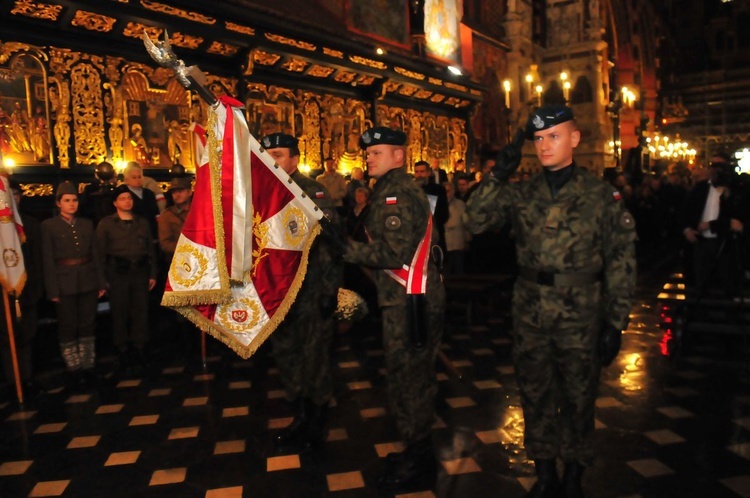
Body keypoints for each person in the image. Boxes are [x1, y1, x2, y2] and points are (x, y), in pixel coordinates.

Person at [464, 105, 637, 498]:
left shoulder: (600, 195)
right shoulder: (522, 192)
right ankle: (544, 474)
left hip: (582, 311)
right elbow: (475, 220)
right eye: (538, 139)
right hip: (531, 311)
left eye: (553, 136)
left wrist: (615, 322)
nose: (544, 145)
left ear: (575, 138)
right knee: (535, 393)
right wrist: (497, 174)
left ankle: (573, 475)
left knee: (579, 395)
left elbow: (622, 260)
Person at [340, 127, 445, 492]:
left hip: (409, 298)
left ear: (398, 156)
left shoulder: (395, 193)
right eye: (368, 153)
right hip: (405, 298)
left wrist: (345, 249)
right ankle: (416, 450)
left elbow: (392, 253)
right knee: (406, 377)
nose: (369, 157)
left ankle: (420, 462)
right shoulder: (389, 188)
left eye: (378, 152)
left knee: (410, 380)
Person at [260, 132, 343, 449]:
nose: (273, 160)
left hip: (311, 292)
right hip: (280, 295)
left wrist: (329, 291)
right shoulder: (264, 192)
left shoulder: (313, 192)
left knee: (314, 358)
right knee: (287, 356)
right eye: (269, 155)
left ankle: (318, 422)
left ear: (294, 159)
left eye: (279, 154)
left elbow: (332, 246)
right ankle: (301, 415)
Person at [41, 182, 106, 388]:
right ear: (58, 203)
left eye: (74, 200)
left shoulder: (86, 224)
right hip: (63, 282)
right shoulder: (49, 226)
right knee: (68, 325)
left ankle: (89, 365)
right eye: (67, 200)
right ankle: (73, 368)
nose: (71, 204)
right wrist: (52, 289)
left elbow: (95, 254)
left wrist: (100, 281)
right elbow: (47, 260)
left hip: (87, 279)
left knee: (87, 323)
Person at [96, 184, 157, 373]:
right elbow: (99, 254)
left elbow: (150, 250)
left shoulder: (142, 222)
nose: (127, 201)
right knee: (120, 313)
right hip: (117, 274)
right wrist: (102, 280)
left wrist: (153, 273)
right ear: (115, 203)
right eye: (122, 199)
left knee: (140, 311)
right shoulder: (106, 224)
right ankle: (122, 350)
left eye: (129, 198)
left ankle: (140, 348)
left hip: (139, 272)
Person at [681, 154, 747, 295]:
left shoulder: (735, 190)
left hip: (725, 243)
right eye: (713, 166)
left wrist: (712, 225)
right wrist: (687, 230)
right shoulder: (700, 188)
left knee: (726, 282)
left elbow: (735, 219)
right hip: (701, 241)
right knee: (701, 281)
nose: (715, 170)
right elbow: (685, 212)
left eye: (720, 167)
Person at [0, 180, 43, 395]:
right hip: (3, 295)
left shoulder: (30, 224)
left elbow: (37, 259)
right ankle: (12, 380)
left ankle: (28, 377)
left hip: (27, 292)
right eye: (8, 195)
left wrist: (36, 289)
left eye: (15, 195)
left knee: (28, 335)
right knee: (7, 339)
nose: (12, 199)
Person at [413, 160, 449, 254]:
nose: (419, 175)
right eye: (416, 172)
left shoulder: (438, 190)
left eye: (422, 171)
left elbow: (444, 214)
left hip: (434, 233)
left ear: (428, 173)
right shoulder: (410, 190)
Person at [443, 181, 468, 275]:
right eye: (444, 191)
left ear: (453, 191)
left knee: (459, 271)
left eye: (448, 191)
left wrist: (467, 239)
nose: (446, 194)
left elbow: (466, 222)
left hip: (458, 242)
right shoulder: (435, 205)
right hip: (444, 244)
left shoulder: (460, 204)